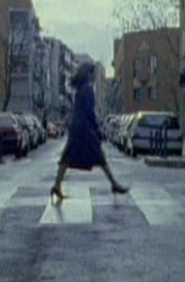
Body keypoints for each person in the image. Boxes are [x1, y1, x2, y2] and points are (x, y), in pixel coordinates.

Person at [50, 61, 128, 203]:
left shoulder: (80, 89)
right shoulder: (88, 89)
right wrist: (97, 129)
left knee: (67, 156)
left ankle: (57, 185)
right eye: (93, 73)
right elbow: (90, 112)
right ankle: (114, 184)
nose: (94, 76)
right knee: (99, 156)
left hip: (76, 127)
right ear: (89, 73)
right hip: (85, 129)